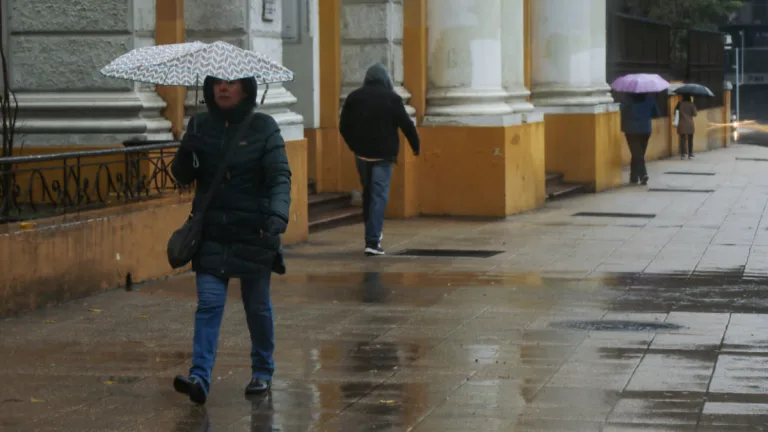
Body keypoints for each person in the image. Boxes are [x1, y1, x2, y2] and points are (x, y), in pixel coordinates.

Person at [170, 76, 292, 404]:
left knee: (256, 306)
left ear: (246, 89)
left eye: (232, 83)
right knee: (209, 304)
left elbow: (280, 174)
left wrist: (278, 214)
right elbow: (181, 176)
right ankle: (200, 377)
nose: (223, 88)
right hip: (211, 233)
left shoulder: (263, 127)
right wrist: (187, 149)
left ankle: (263, 370)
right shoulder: (199, 125)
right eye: (217, 83)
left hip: (255, 230)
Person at [339, 63, 420, 256]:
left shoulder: (354, 97)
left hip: (361, 155)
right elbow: (406, 125)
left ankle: (371, 235)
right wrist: (415, 146)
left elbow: (343, 126)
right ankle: (373, 241)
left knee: (368, 194)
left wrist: (354, 146)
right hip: (383, 156)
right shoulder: (392, 98)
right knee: (379, 196)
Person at [620, 93, 661, 185]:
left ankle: (643, 174)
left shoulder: (628, 100)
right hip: (645, 129)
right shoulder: (650, 99)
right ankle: (633, 177)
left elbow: (621, 112)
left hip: (631, 130)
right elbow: (656, 114)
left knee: (637, 153)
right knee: (639, 153)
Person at [676, 95, 698, 159]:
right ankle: (690, 154)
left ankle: (683, 154)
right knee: (690, 139)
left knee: (682, 139)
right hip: (690, 124)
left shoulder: (679, 104)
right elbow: (695, 114)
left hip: (681, 123)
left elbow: (675, 112)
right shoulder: (691, 104)